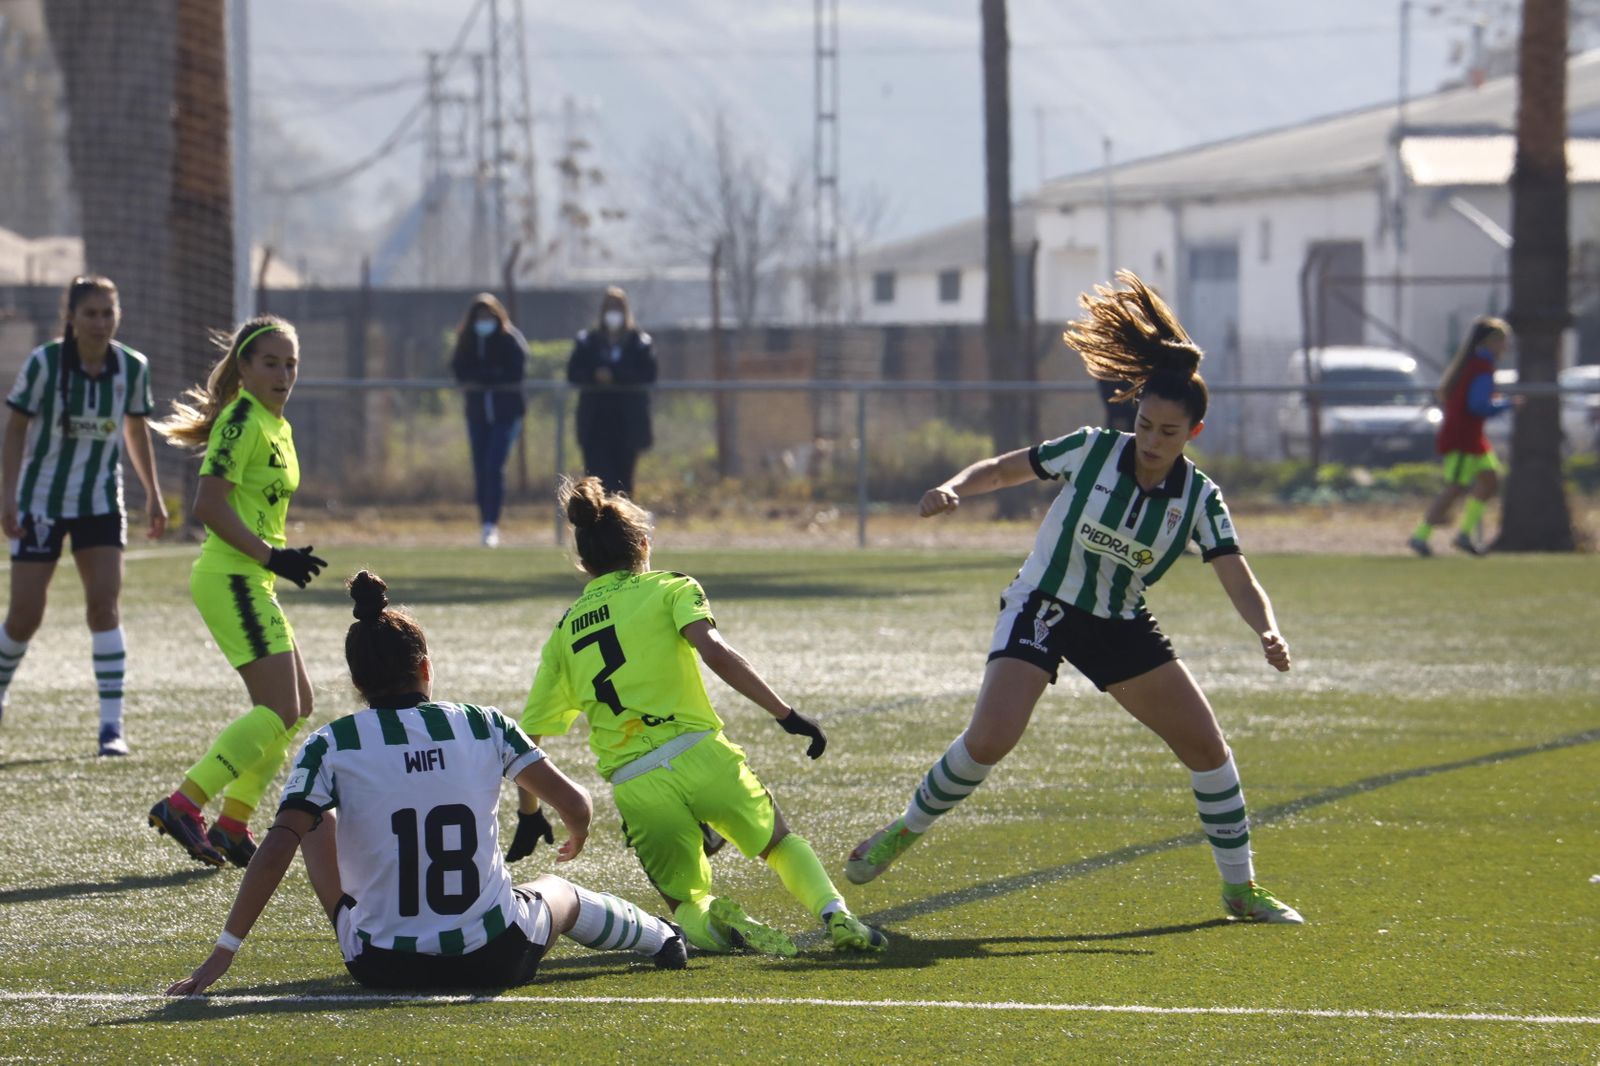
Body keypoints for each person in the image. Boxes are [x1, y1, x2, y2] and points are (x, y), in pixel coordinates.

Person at [846, 270, 1304, 925]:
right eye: (1145, 425)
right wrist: (953, 488)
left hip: (1118, 624)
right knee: (993, 737)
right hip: (1045, 606)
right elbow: (1006, 467)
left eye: (1168, 433)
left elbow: (1236, 572)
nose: (1151, 441)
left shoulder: (1199, 499)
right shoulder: (1090, 451)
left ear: (1192, 435)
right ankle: (905, 829)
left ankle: (1239, 890)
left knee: (1207, 748)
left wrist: (1266, 629)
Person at [165, 571, 686, 995]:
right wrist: (577, 830)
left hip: (383, 966)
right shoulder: (483, 723)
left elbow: (278, 846)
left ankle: (373, 920)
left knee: (311, 816)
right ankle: (663, 938)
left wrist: (224, 951)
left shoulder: (332, 743)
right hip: (494, 959)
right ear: (425, 667)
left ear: (357, 682)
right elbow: (576, 803)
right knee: (558, 893)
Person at [516, 476, 887, 956]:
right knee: (779, 843)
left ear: (584, 563)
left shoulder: (564, 631)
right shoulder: (670, 587)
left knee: (684, 901)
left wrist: (530, 813)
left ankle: (718, 920)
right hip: (701, 753)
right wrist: (786, 713)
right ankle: (838, 917)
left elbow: (530, 736)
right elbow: (715, 652)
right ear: (643, 546)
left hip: (636, 780)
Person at [147, 315, 327, 868]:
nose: (283, 373)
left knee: (297, 706)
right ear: (244, 369)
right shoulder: (241, 419)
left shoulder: (278, 424)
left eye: (290, 363)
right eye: (270, 362)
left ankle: (232, 823)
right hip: (231, 577)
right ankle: (185, 803)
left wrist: (275, 560)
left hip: (253, 577)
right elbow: (208, 503)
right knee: (279, 706)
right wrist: (272, 556)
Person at [0, 275, 167, 756]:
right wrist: (8, 496)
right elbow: (14, 428)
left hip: (100, 502)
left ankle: (111, 728)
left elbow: (136, 431)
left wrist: (153, 493)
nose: (100, 322)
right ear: (70, 317)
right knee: (25, 615)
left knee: (104, 604)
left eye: (108, 313)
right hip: (42, 502)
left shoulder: (132, 368)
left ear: (118, 317)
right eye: (90, 313)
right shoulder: (45, 364)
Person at [1408, 316, 1513, 557]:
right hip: (1462, 438)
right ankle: (1420, 536)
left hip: (1475, 439)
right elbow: (1478, 406)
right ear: (1489, 342)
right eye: (1501, 341)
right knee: (1454, 487)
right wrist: (1507, 405)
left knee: (1490, 481)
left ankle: (1464, 535)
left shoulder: (1475, 364)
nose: (1505, 347)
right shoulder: (1480, 368)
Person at [449, 293, 527, 548]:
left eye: (488, 316)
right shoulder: (467, 340)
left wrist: (489, 376)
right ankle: (485, 522)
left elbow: (515, 370)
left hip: (505, 414)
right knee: (481, 469)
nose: (484, 321)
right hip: (478, 415)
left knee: (494, 466)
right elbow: (460, 370)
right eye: (479, 316)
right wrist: (480, 377)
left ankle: (492, 523)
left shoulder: (509, 339)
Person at [566, 286, 656, 497]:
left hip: (627, 422)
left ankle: (623, 526)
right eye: (609, 307)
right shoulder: (587, 341)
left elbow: (648, 374)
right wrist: (594, 375)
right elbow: (573, 372)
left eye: (617, 308)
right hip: (595, 422)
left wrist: (614, 375)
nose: (613, 313)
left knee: (623, 481)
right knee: (597, 479)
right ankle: (600, 526)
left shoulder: (639, 342)